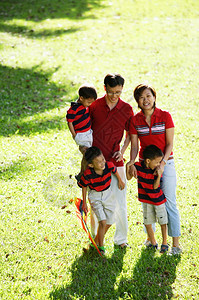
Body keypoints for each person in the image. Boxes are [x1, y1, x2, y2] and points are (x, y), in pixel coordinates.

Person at [127, 83, 181, 255]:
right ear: (138, 101)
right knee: (147, 202)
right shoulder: (135, 120)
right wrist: (132, 162)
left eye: (148, 96)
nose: (146, 100)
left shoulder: (165, 116)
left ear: (154, 97)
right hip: (145, 166)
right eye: (141, 97)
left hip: (167, 162)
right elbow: (135, 146)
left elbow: (170, 143)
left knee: (169, 202)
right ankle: (151, 239)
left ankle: (175, 244)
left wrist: (163, 164)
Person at [89, 73, 134, 248]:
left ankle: (121, 239)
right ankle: (95, 238)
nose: (115, 96)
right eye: (111, 92)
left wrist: (122, 151)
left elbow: (130, 133)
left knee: (120, 201)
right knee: (97, 202)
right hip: (96, 161)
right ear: (104, 88)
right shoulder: (94, 106)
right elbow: (85, 129)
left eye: (118, 92)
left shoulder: (127, 109)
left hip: (116, 162)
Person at [78, 146, 125, 255]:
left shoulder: (108, 165)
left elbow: (114, 170)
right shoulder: (88, 174)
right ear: (90, 165)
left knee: (109, 220)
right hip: (95, 196)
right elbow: (84, 186)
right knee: (102, 221)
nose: (102, 163)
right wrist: (84, 202)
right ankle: (101, 247)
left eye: (102, 159)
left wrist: (120, 180)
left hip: (108, 194)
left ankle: (95, 242)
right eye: (98, 162)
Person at [126, 144, 169, 253]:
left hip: (158, 200)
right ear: (148, 161)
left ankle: (165, 243)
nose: (159, 164)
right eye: (157, 162)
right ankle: (153, 243)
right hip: (145, 199)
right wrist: (128, 166)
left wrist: (159, 175)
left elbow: (155, 187)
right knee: (147, 222)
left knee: (163, 221)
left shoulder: (156, 170)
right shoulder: (138, 167)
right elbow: (128, 178)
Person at [66, 85, 97, 179]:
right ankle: (83, 173)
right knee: (88, 153)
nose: (90, 104)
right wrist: (74, 135)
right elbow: (69, 122)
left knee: (87, 154)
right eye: (88, 102)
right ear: (81, 98)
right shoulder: (74, 109)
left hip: (88, 133)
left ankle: (83, 172)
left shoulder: (84, 106)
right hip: (81, 135)